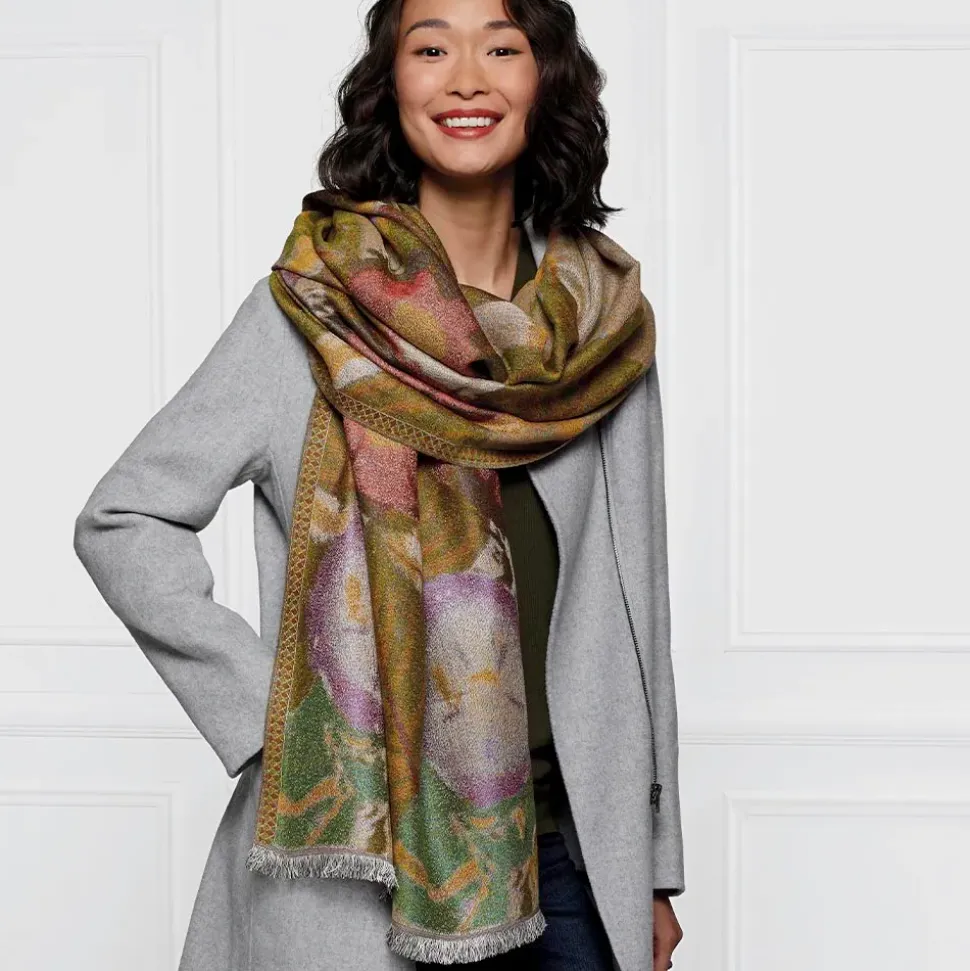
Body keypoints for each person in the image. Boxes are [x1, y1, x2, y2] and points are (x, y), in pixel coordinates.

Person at [72, 0, 685, 968]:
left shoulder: (603, 330)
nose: (467, 76)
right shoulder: (314, 312)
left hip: (571, 862)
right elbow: (124, 517)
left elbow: (641, 614)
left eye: (503, 46)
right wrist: (280, 712)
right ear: (391, 84)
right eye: (431, 46)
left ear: (546, 80)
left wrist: (652, 863)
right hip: (360, 875)